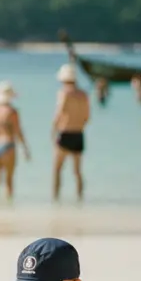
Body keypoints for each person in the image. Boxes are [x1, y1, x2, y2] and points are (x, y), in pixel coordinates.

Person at [0, 82, 30, 199]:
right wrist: (25, 148)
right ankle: (9, 211)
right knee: (8, 181)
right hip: (7, 145)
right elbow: (18, 131)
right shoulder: (11, 111)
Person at [52, 63, 90, 200]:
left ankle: (56, 199)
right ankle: (80, 199)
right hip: (79, 134)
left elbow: (59, 112)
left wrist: (53, 130)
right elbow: (87, 117)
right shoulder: (84, 95)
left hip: (65, 133)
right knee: (78, 172)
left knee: (57, 170)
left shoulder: (63, 93)